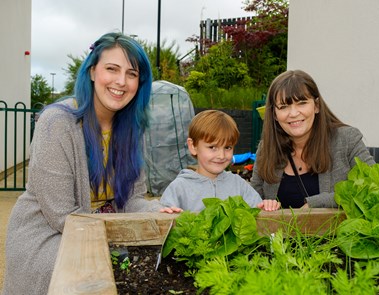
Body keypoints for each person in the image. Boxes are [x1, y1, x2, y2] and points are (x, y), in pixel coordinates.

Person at [2, 32, 178, 295]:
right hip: (48, 237)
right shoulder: (56, 123)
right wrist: (114, 242)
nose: (121, 81)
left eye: (131, 73)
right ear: (93, 71)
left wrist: (155, 211)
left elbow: (132, 199)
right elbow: (63, 217)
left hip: (101, 233)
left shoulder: (132, 129)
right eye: (112, 69)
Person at [250, 70, 375, 209]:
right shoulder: (266, 149)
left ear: (316, 106)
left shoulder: (347, 140)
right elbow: (252, 199)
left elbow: (373, 186)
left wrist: (316, 203)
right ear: (274, 113)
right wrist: (262, 206)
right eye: (284, 107)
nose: (294, 113)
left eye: (302, 103)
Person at [160, 110, 280, 212]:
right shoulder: (179, 187)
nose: (221, 155)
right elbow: (162, 221)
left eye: (227, 147)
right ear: (193, 146)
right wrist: (166, 213)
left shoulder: (239, 185)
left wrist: (266, 207)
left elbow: (258, 213)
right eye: (212, 147)